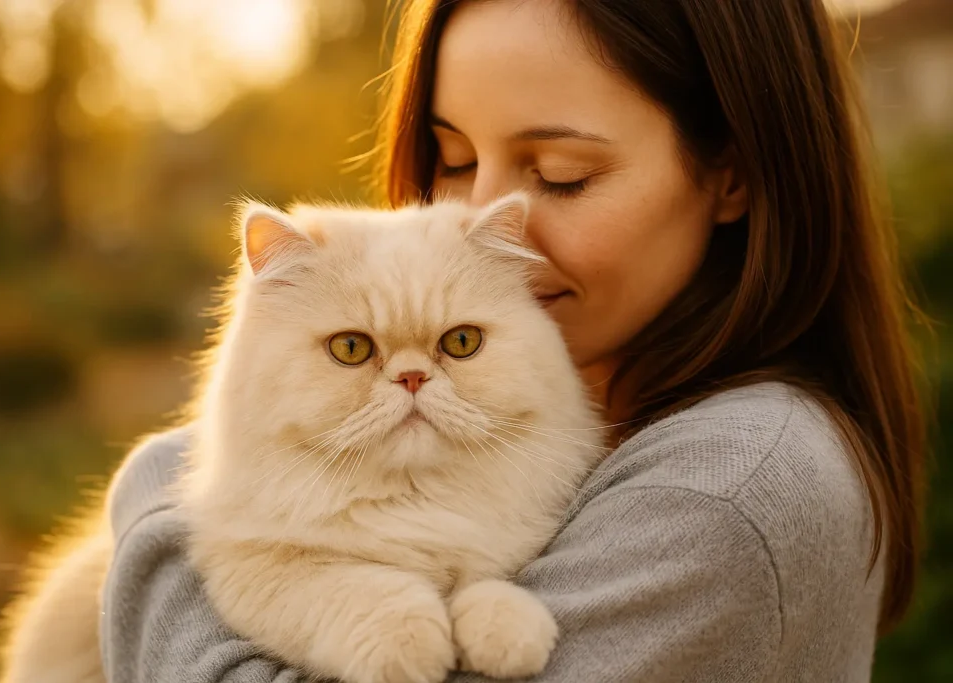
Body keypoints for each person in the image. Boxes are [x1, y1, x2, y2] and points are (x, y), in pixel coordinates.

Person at [99, 0, 928, 681]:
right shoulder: (600, 400)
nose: (485, 218)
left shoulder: (725, 492)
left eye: (561, 173)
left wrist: (153, 515)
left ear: (733, 173)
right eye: (452, 158)